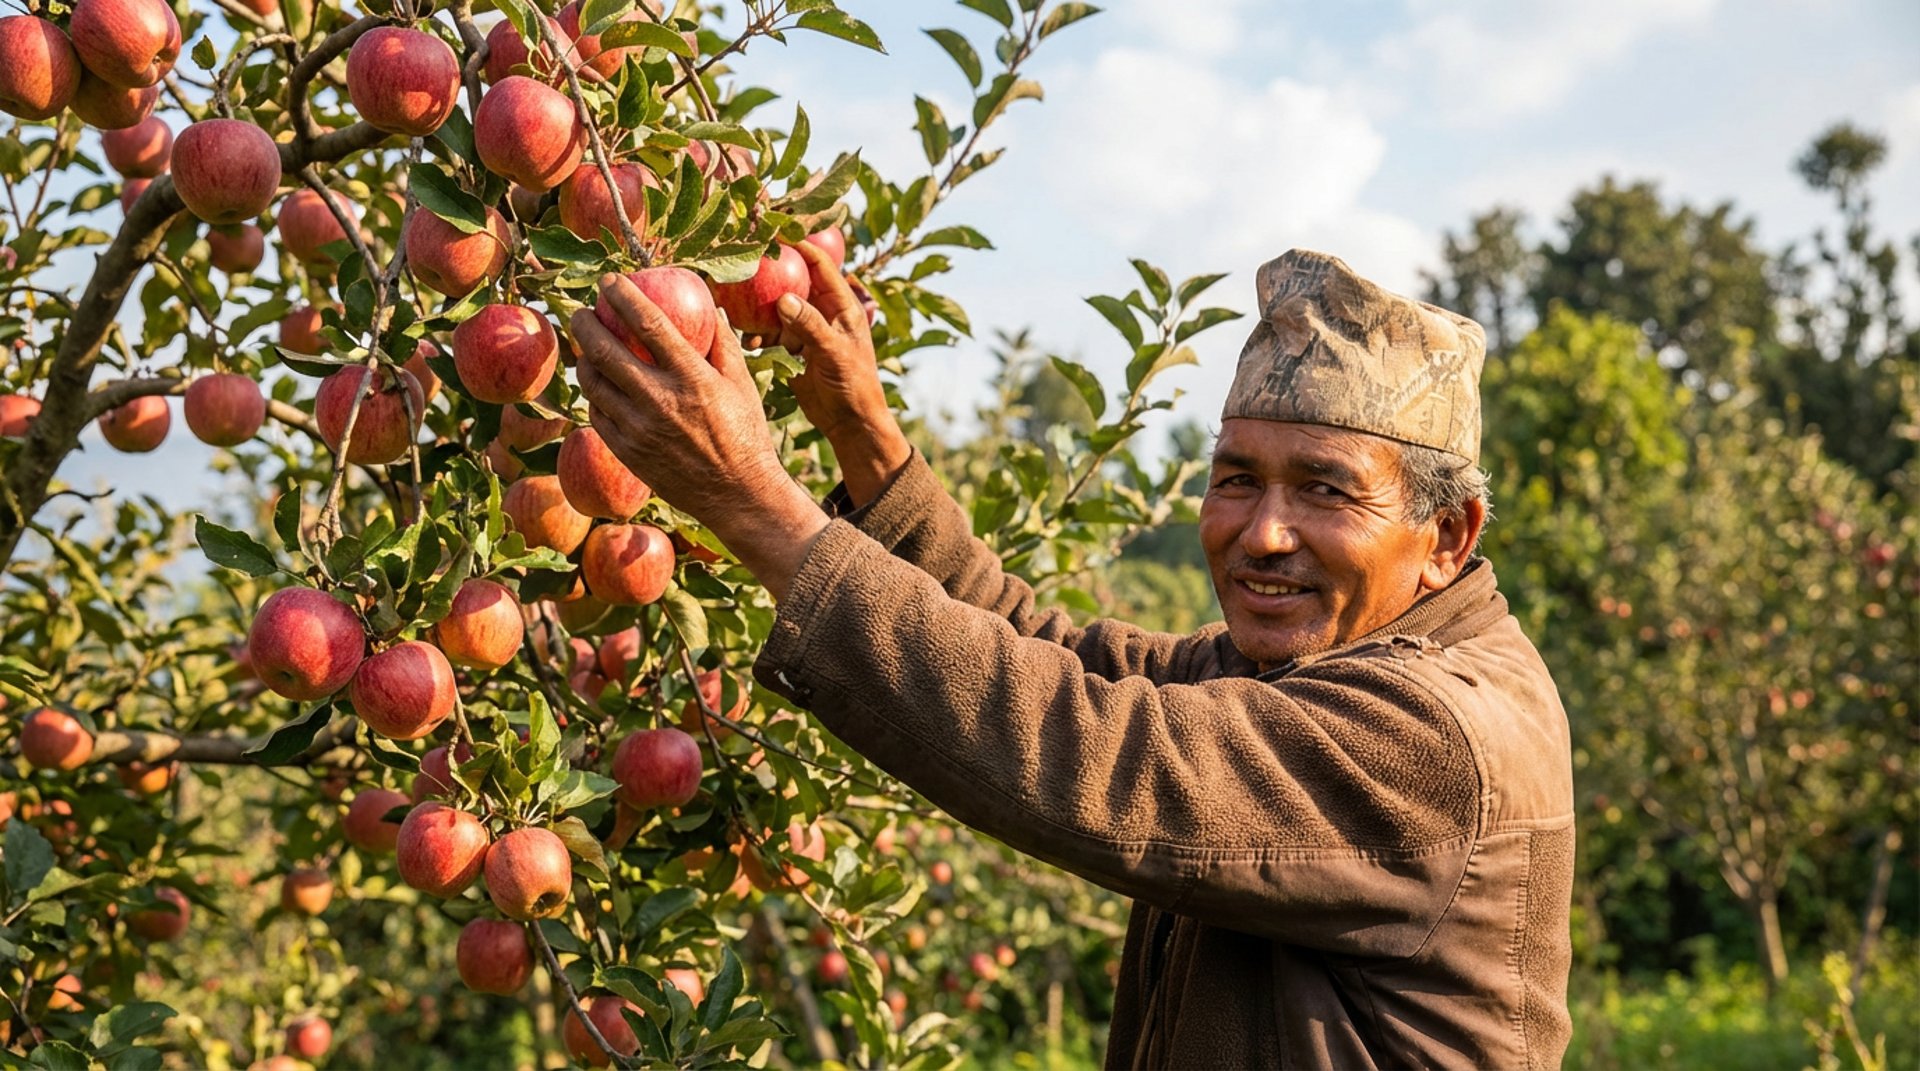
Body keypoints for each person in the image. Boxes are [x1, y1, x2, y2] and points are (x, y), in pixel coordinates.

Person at [571, 245, 1575, 1070]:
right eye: (1236, 479)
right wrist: (866, 443)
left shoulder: (1434, 735)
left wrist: (754, 500)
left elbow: (1097, 750)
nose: (1263, 532)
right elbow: (1054, 657)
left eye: (1325, 489)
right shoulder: (1299, 674)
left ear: (1446, 536)